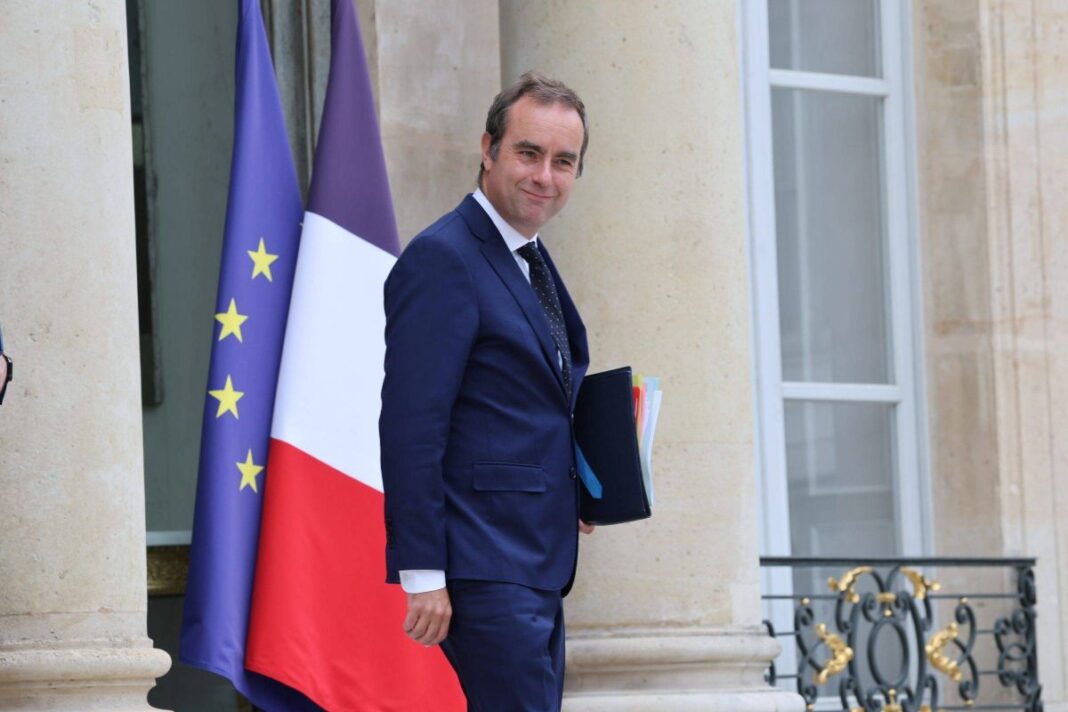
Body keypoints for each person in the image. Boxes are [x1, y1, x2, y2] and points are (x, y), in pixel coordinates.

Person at [379, 72, 593, 710]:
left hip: (534, 561)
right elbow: (412, 425)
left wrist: (585, 484)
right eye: (528, 153)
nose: (544, 177)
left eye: (563, 162)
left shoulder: (530, 256)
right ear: (488, 148)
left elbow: (531, 406)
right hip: (485, 566)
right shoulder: (444, 257)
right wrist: (423, 574)